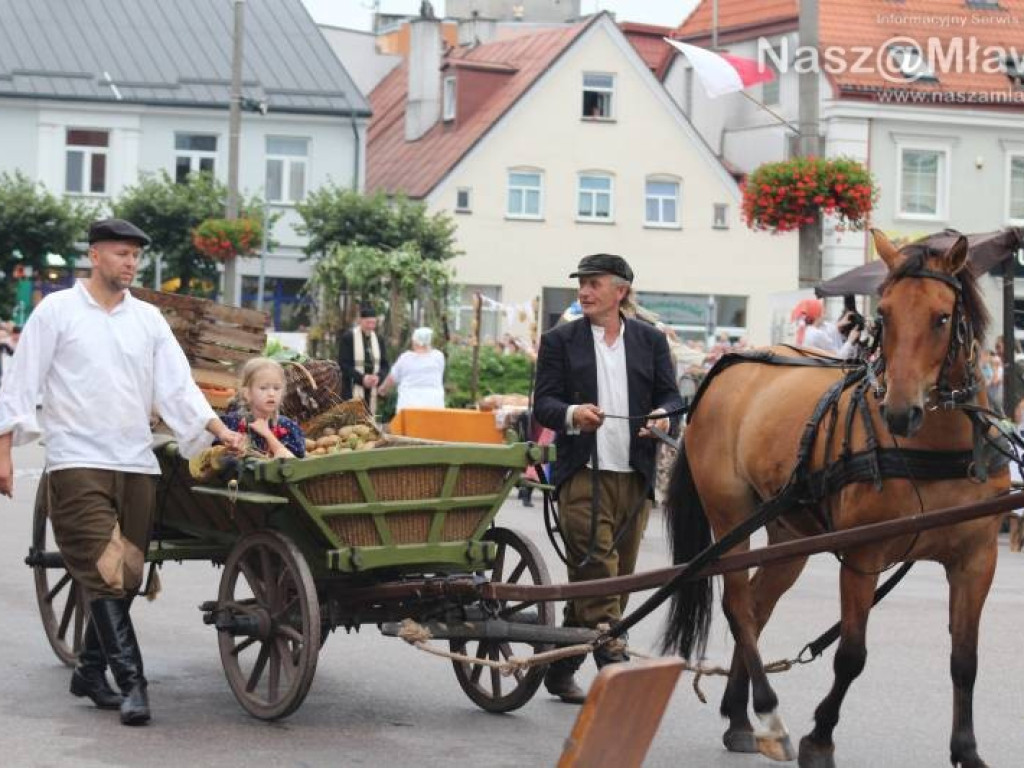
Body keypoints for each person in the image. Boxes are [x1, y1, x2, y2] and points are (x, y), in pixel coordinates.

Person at [0, 218, 245, 726]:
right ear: (95, 256)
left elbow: (177, 386)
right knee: (106, 571)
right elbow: (20, 384)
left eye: (135, 255)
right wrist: (4, 451)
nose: (130, 263)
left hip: (135, 460)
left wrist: (219, 430)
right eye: (120, 253)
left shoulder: (148, 320)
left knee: (129, 574)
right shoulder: (57, 312)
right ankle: (134, 684)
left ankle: (90, 671)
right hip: (76, 460)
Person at [533, 253, 683, 704]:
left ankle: (560, 670)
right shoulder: (559, 340)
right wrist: (573, 413)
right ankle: (615, 670)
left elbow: (672, 397)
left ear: (621, 291)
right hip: (582, 472)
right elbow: (544, 404)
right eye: (581, 283)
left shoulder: (651, 341)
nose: (584, 291)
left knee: (614, 579)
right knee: (599, 568)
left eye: (594, 283)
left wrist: (663, 417)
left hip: (634, 475)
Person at [219, 358, 305, 458]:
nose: (271, 394)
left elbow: (293, 462)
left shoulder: (288, 427)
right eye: (263, 388)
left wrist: (268, 434)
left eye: (276, 388)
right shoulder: (232, 423)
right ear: (247, 393)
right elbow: (218, 455)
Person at [338, 302, 390, 414]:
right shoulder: (348, 338)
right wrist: (362, 378)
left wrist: (378, 377)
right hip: (353, 387)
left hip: (373, 388)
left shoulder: (379, 339)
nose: (371, 326)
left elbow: (385, 364)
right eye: (368, 322)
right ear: (360, 321)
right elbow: (343, 364)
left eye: (373, 323)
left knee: (370, 418)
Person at [377, 327, 445, 412]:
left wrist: (382, 389)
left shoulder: (405, 358)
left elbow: (392, 378)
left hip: (408, 403)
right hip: (434, 404)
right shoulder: (438, 357)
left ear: (414, 341)